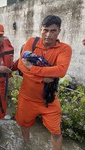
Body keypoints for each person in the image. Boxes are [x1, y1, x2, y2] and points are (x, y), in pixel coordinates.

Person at [15, 15, 72, 150]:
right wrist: (42, 78)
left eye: (53, 31)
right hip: (27, 98)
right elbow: (21, 66)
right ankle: (27, 145)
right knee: (23, 124)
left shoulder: (64, 49)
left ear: (59, 31)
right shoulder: (32, 42)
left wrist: (33, 69)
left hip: (49, 99)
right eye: (45, 30)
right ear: (40, 29)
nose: (48, 35)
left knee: (56, 132)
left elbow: (61, 71)